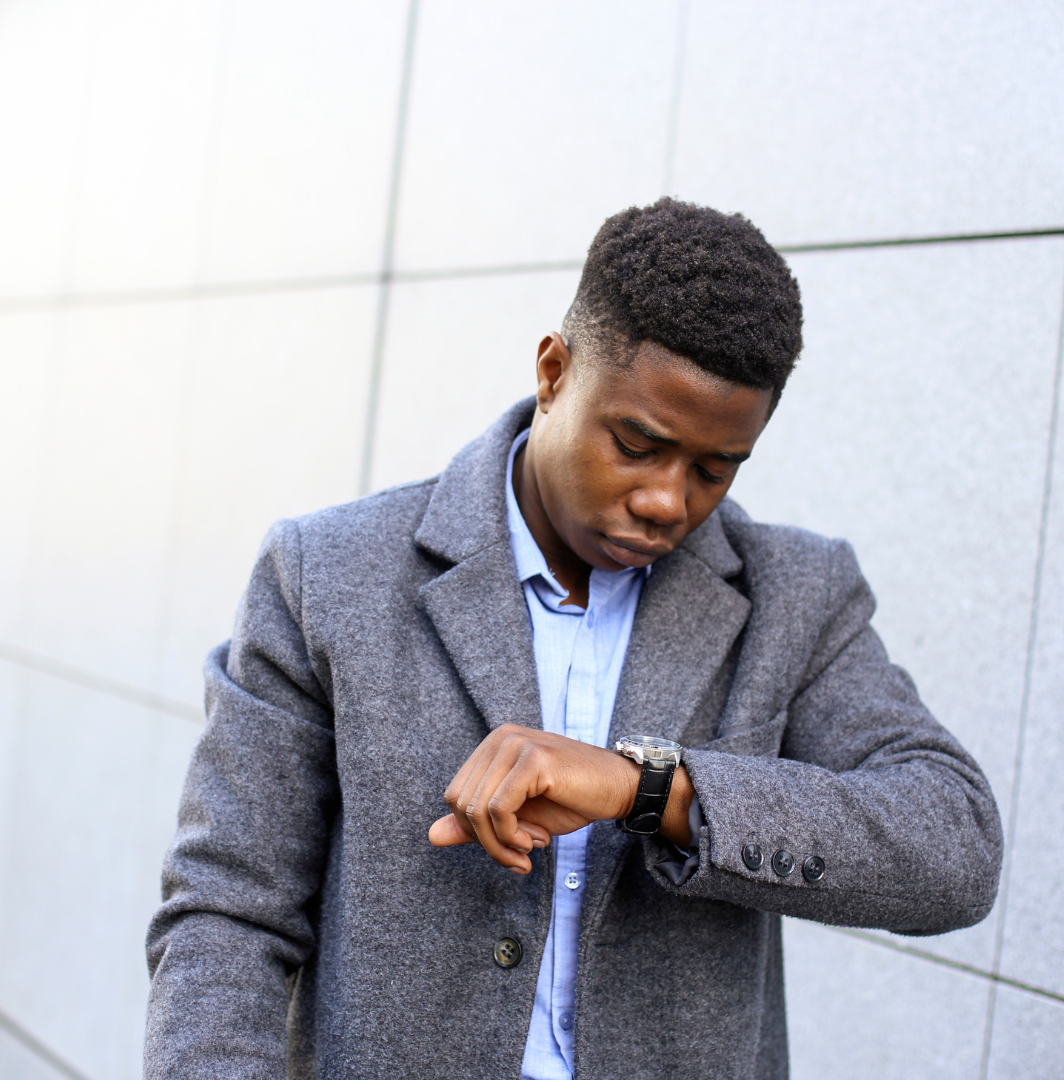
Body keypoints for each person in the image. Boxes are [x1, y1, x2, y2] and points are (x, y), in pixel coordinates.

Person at [144, 198, 1003, 1080]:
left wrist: (647, 788)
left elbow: (955, 847)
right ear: (554, 372)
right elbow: (227, 911)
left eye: (715, 468)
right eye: (637, 444)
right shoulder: (326, 574)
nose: (669, 500)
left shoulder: (799, 595)